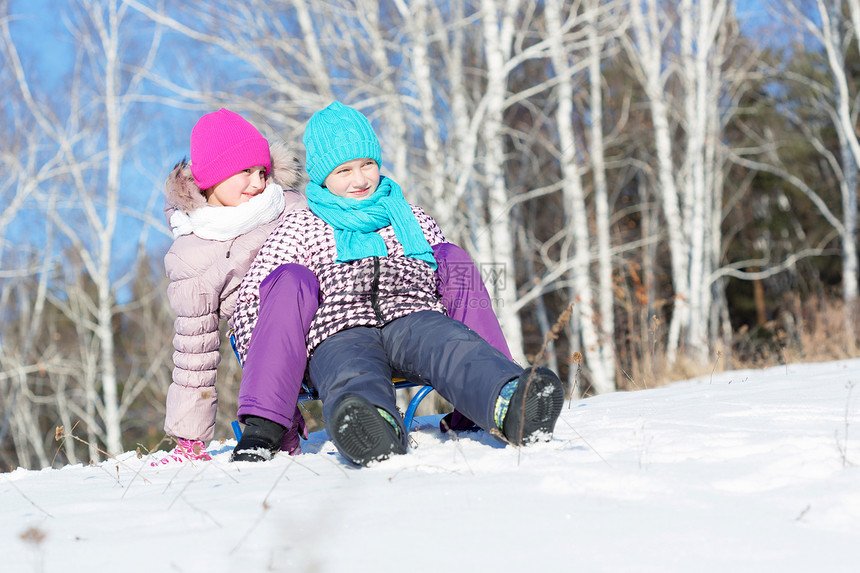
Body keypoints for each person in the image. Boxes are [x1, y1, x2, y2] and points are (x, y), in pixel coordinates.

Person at [158, 108, 513, 465]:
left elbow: (440, 272)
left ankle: (505, 392)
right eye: (243, 172)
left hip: (404, 317)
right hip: (320, 328)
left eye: (261, 171)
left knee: (449, 298)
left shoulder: (294, 207)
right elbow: (195, 349)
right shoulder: (205, 250)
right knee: (337, 345)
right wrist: (196, 434)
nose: (257, 183)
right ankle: (366, 423)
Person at [231, 101, 564, 467]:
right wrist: (275, 374)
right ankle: (371, 425)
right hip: (337, 330)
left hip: (414, 317)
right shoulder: (301, 226)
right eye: (344, 170)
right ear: (322, 176)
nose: (360, 180)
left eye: (367, 165)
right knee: (351, 372)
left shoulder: (411, 217)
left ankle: (510, 399)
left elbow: (448, 281)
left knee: (452, 345)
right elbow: (255, 304)